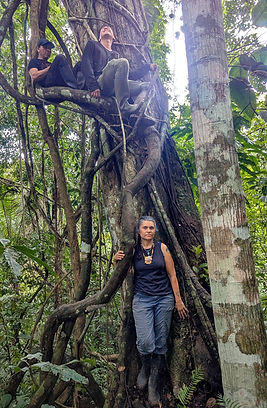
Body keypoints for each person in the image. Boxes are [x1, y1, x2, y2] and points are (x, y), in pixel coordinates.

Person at [113, 216, 189, 407]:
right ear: (139, 231)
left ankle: (154, 381)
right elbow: (121, 273)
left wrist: (178, 300)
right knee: (146, 341)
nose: (149, 230)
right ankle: (145, 366)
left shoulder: (162, 248)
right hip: (142, 300)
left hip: (164, 299)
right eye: (145, 228)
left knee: (161, 340)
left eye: (151, 228)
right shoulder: (133, 250)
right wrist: (116, 261)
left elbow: (172, 275)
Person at [78, 25, 157, 115]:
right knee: (122, 62)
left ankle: (137, 111)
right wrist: (93, 86)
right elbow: (86, 63)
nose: (105, 28)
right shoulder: (93, 45)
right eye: (103, 29)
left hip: (114, 87)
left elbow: (129, 75)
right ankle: (124, 107)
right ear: (99, 37)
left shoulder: (116, 55)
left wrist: (147, 67)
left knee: (148, 86)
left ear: (113, 37)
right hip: (100, 83)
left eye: (109, 29)